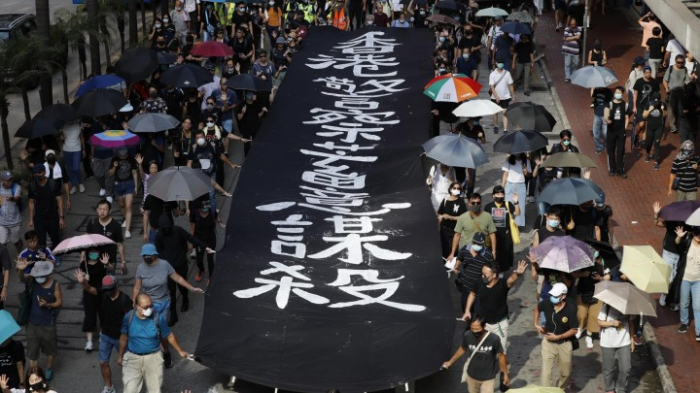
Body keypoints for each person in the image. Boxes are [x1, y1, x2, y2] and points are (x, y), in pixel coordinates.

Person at [132, 244, 204, 367]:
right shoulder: (140, 268)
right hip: (148, 304)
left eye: (148, 255)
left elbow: (178, 278)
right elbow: (137, 287)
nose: (146, 258)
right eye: (144, 256)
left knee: (160, 331)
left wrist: (192, 288)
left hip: (163, 303)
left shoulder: (164, 265)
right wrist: (134, 302)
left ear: (155, 255)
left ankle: (166, 352)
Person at [118, 294, 191, 393]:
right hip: (132, 358)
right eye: (145, 307)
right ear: (137, 307)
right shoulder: (129, 317)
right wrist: (120, 356)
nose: (149, 309)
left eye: (151, 305)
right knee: (130, 390)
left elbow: (169, 335)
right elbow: (123, 337)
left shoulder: (158, 318)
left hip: (153, 358)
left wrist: (180, 351)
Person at [74, 274, 131, 393]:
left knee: (127, 365)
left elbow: (132, 320)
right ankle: (109, 387)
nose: (108, 292)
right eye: (106, 289)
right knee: (103, 362)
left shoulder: (125, 301)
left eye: (110, 289)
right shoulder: (104, 294)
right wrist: (82, 282)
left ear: (116, 286)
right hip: (105, 335)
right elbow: (90, 289)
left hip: (121, 337)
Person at [155, 215, 213, 324]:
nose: (167, 230)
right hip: (168, 267)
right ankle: (173, 314)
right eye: (164, 229)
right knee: (171, 291)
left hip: (181, 263)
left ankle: (185, 297)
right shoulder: (159, 236)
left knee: (182, 285)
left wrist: (204, 247)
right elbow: (158, 251)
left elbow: (191, 238)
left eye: (168, 228)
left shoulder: (178, 230)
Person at [463, 260, 528, 353]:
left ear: (494, 275)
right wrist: (467, 310)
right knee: (483, 351)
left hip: (499, 325)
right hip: (484, 324)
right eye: (482, 274)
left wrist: (518, 274)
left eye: (485, 275)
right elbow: (472, 294)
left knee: (501, 352)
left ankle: (502, 366)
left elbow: (511, 280)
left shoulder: (502, 284)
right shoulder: (479, 283)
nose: (482, 277)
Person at [15, 261, 62, 382]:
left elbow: (59, 301)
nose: (39, 278)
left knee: (50, 350)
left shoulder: (55, 284)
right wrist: (21, 269)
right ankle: (33, 372)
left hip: (48, 323)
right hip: (32, 323)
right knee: (32, 351)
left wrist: (48, 304)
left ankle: (49, 369)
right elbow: (22, 278)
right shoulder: (32, 280)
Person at [441, 316, 510, 393]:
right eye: (472, 329)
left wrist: (505, 375)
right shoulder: (468, 335)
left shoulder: (494, 339)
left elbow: (501, 356)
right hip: (472, 376)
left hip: (488, 378)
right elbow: (462, 349)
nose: (474, 331)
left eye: (477, 329)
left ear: (484, 326)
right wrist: (450, 362)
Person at [534, 283, 579, 389]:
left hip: (564, 344)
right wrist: (536, 323)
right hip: (548, 343)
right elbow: (537, 308)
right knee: (546, 373)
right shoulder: (547, 303)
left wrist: (558, 337)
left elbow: (574, 330)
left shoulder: (571, 309)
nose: (552, 298)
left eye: (555, 296)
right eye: (552, 295)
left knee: (566, 373)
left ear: (563, 296)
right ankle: (546, 391)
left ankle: (561, 389)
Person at [75, 249, 111, 353]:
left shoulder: (102, 262)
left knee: (103, 313)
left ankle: (103, 334)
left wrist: (107, 264)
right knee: (90, 315)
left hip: (102, 291)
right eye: (91, 252)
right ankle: (89, 342)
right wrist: (84, 278)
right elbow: (81, 278)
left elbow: (111, 268)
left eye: (96, 252)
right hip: (89, 292)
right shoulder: (84, 264)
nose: (94, 254)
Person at [448, 193, 497, 262]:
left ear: (481, 203)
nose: (475, 205)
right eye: (473, 203)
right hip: (468, 252)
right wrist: (452, 253)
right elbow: (457, 235)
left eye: (478, 203)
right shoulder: (462, 218)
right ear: (469, 203)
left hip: (483, 251)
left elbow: (492, 234)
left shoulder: (488, 216)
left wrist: (493, 251)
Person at [598, 302, 635, 393]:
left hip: (624, 341)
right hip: (607, 342)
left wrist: (632, 340)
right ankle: (609, 388)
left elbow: (631, 323)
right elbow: (599, 322)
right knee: (608, 367)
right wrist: (612, 323)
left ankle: (621, 388)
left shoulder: (628, 308)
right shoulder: (606, 307)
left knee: (626, 368)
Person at [671, 227, 700, 339]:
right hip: (685, 279)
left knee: (698, 306)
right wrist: (679, 236)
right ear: (693, 233)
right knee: (684, 303)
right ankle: (684, 322)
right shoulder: (687, 241)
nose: (699, 237)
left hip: (698, 280)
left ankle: (699, 331)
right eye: (697, 234)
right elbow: (677, 244)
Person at [453, 233, 495, 311]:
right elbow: (460, 258)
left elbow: (494, 268)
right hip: (466, 287)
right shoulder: (465, 249)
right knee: (465, 309)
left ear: (483, 244)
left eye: (479, 244)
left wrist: (489, 275)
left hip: (479, 290)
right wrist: (456, 265)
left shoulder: (487, 254)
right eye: (475, 243)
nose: (476, 245)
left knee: (477, 313)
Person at [27, 166, 65, 250]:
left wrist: (61, 217)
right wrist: (31, 219)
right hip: (39, 217)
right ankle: (43, 258)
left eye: (39, 173)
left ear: (44, 172)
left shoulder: (52, 184)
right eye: (35, 173)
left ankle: (56, 255)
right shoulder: (32, 185)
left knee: (55, 238)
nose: (37, 175)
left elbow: (59, 200)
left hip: (52, 216)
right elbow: (31, 202)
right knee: (40, 241)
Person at [653, 201, 682, 309]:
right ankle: (664, 295)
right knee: (668, 278)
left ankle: (674, 300)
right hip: (668, 252)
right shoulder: (670, 222)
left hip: (680, 254)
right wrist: (656, 214)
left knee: (676, 279)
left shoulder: (687, 225)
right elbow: (656, 223)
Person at [484, 185, 519, 272]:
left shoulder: (508, 204)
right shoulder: (488, 207)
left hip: (505, 235)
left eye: (501, 194)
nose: (499, 196)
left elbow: (517, 213)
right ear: (493, 195)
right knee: (493, 253)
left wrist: (516, 203)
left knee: (504, 254)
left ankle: (502, 272)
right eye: (497, 194)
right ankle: (492, 270)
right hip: (492, 235)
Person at [86, 199, 126, 274]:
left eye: (105, 209)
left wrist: (123, 261)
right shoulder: (92, 223)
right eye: (100, 209)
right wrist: (82, 258)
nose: (102, 211)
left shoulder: (115, 226)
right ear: (97, 210)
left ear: (109, 211)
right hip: (94, 258)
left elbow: (120, 244)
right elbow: (87, 241)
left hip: (110, 259)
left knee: (109, 282)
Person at [109, 148, 138, 239]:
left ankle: (127, 230)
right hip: (118, 185)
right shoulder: (114, 159)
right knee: (122, 205)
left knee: (128, 206)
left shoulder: (131, 159)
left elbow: (134, 173)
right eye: (121, 154)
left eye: (125, 153)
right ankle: (126, 218)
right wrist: (114, 166)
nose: (123, 155)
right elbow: (110, 173)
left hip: (129, 184)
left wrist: (136, 186)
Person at [437, 182, 468, 259]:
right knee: (443, 250)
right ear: (450, 189)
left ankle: (452, 267)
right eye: (454, 188)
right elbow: (440, 213)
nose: (456, 190)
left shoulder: (460, 202)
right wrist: (440, 217)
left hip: (454, 230)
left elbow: (463, 218)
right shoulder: (445, 200)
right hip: (443, 230)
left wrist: (450, 217)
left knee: (452, 252)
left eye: (458, 188)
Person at [604, 86, 629, 178]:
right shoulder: (609, 105)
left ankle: (620, 169)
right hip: (611, 131)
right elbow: (606, 115)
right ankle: (612, 169)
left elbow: (627, 117)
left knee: (621, 150)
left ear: (622, 94)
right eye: (616, 92)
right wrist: (607, 120)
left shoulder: (625, 105)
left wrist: (625, 128)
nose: (617, 94)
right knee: (611, 150)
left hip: (621, 132)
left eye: (619, 93)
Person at [664, 54, 692, 134]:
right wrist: (666, 88)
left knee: (680, 110)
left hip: (681, 93)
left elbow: (687, 81)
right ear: (675, 61)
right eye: (678, 62)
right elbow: (665, 80)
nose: (680, 64)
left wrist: (691, 79)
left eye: (682, 63)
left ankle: (678, 124)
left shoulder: (685, 69)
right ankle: (672, 126)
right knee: (671, 109)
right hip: (672, 92)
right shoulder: (671, 69)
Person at [632, 66, 660, 145]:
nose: (648, 74)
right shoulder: (639, 82)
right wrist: (634, 106)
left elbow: (657, 94)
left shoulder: (654, 82)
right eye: (646, 72)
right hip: (640, 105)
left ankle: (643, 141)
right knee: (641, 124)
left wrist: (656, 105)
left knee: (646, 124)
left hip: (649, 106)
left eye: (649, 72)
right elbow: (635, 94)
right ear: (644, 73)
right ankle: (636, 135)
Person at [192, 202, 217, 283]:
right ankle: (202, 270)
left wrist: (219, 222)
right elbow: (192, 227)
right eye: (203, 211)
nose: (205, 212)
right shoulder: (195, 213)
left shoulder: (212, 212)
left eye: (206, 211)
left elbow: (216, 218)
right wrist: (191, 241)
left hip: (210, 239)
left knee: (210, 259)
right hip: (199, 240)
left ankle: (210, 277)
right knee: (199, 260)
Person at [501, 155, 528, 227]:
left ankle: (517, 227)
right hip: (509, 185)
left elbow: (528, 174)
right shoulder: (508, 160)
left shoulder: (526, 160)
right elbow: (505, 174)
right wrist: (502, 187)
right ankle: (508, 225)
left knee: (520, 206)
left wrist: (525, 170)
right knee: (508, 205)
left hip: (521, 185)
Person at [0, 310, 24, 389]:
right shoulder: (17, 346)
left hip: (13, 380)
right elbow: (19, 365)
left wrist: (22, 382)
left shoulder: (17, 346)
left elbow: (20, 365)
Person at [60, 120, 86, 194]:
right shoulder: (63, 124)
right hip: (66, 149)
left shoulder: (79, 123)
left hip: (77, 148)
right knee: (70, 169)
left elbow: (82, 137)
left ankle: (80, 183)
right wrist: (61, 137)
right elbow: (61, 137)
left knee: (76, 168)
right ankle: (74, 185)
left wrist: (84, 149)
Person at [643, 91, 667, 170]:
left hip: (659, 127)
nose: (656, 103)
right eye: (655, 101)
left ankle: (656, 162)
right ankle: (647, 153)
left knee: (657, 144)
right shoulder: (648, 104)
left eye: (657, 101)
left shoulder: (663, 104)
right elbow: (644, 115)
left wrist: (662, 110)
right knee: (648, 143)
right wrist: (650, 110)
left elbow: (665, 115)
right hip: (650, 127)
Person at [489, 62, 515, 134]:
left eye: (502, 62)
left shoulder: (507, 73)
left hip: (505, 96)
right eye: (499, 62)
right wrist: (496, 96)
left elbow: (510, 85)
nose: (500, 64)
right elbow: (492, 87)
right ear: (496, 63)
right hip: (495, 97)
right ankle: (496, 126)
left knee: (505, 113)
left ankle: (505, 129)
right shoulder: (492, 74)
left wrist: (513, 95)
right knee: (495, 113)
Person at [0, 171, 23, 253]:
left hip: (14, 222)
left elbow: (17, 197)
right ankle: (3, 261)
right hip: (2, 222)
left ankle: (20, 255)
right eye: (7, 180)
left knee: (16, 241)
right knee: (2, 243)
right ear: (1, 180)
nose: (10, 182)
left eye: (11, 179)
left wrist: (12, 198)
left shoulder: (16, 187)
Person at [562, 18, 582, 83]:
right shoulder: (567, 29)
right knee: (567, 64)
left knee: (576, 63)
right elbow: (566, 39)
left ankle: (573, 75)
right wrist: (574, 37)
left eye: (574, 24)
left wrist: (569, 38)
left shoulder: (579, 29)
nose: (573, 25)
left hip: (575, 50)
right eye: (571, 24)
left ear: (576, 24)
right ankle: (567, 77)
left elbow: (578, 37)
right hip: (567, 49)